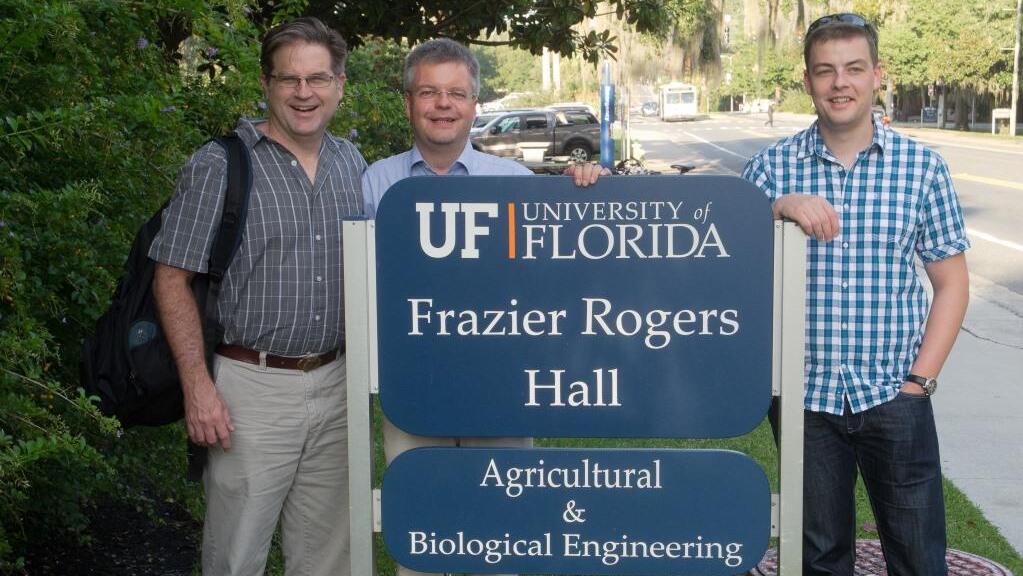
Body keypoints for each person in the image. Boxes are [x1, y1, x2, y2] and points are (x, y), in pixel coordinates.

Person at [362, 38, 605, 576]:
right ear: (408, 103)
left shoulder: (516, 184)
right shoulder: (375, 183)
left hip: (502, 389)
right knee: (422, 539)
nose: (442, 104)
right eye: (429, 92)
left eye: (456, 93)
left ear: (475, 104)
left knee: (504, 534)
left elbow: (562, 273)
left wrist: (590, 193)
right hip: (414, 388)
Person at [742, 13, 970, 576]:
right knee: (820, 554)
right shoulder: (770, 169)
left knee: (919, 553)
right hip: (804, 400)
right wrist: (773, 209)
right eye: (825, 71)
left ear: (877, 75)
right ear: (807, 81)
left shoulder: (922, 169)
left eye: (853, 69)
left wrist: (921, 381)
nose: (839, 83)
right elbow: (730, 264)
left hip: (896, 393)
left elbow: (951, 283)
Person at [150, 17, 364, 576]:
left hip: (337, 382)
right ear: (266, 84)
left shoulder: (351, 165)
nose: (304, 92)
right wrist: (198, 389)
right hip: (250, 389)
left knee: (328, 558)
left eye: (318, 78)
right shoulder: (220, 164)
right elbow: (171, 278)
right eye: (289, 79)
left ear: (340, 84)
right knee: (235, 555)